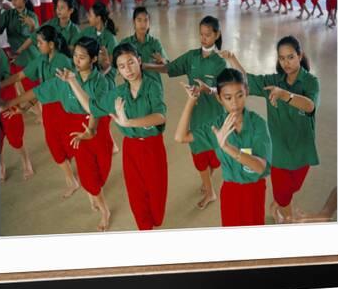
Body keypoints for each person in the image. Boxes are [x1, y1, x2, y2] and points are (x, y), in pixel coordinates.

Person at [57, 43, 168, 231]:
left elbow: (160, 117)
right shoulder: (118, 93)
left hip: (153, 147)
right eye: (122, 66)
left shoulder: (152, 86)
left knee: (156, 200)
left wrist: (128, 123)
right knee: (136, 196)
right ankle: (145, 232)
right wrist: (73, 82)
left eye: (131, 63)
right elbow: (92, 107)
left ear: (139, 60)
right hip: (131, 149)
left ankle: (153, 223)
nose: (128, 70)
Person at [224, 35, 320, 223]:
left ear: (300, 56)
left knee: (294, 187)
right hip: (279, 152)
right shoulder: (273, 80)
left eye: (291, 57)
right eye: (282, 58)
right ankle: (289, 218)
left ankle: (278, 204)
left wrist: (286, 95)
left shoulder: (311, 82)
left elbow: (309, 106)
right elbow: (247, 81)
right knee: (284, 195)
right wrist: (233, 59)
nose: (286, 62)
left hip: (303, 149)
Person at [143, 16, 227, 209]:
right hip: (196, 116)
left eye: (208, 35)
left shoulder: (220, 63)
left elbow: (225, 92)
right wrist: (145, 66)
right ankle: (209, 190)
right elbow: (170, 67)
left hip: (215, 116)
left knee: (214, 159)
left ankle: (207, 179)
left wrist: (209, 90)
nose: (203, 38)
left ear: (217, 35)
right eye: (201, 34)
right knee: (199, 156)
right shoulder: (192, 57)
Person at [175, 68, 271, 226]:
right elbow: (180, 137)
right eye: (228, 97)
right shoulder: (217, 126)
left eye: (239, 95)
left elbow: (260, 167)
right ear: (219, 99)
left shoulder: (258, 124)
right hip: (230, 191)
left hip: (254, 191)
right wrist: (191, 100)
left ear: (246, 92)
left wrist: (226, 147)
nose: (234, 103)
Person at [0, 25, 79, 198]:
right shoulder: (42, 58)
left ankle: (76, 179)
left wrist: (11, 103)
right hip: (49, 110)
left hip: (64, 108)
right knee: (54, 145)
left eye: (40, 42)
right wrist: (0, 85)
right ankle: (71, 179)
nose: (37, 45)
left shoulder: (62, 61)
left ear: (51, 44)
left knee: (69, 144)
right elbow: (21, 76)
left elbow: (43, 90)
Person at [0, 48, 35, 182]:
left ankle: (25, 158)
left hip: (3, 90)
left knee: (14, 131)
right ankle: (0, 163)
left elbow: (9, 76)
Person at [0, 0, 40, 92]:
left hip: (31, 56)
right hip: (16, 57)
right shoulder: (8, 14)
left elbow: (37, 37)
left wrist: (32, 26)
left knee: (32, 89)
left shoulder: (32, 16)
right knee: (19, 89)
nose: (13, 1)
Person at [119, 6, 169, 87]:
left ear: (149, 23)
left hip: (154, 87)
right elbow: (117, 65)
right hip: (133, 89)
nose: (143, 24)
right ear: (133, 22)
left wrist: (162, 60)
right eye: (139, 20)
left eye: (146, 20)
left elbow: (168, 67)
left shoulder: (154, 43)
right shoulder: (125, 43)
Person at [71, 2, 118, 84]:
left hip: (105, 77)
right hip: (88, 72)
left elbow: (111, 64)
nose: (87, 17)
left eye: (90, 15)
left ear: (98, 18)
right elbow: (73, 45)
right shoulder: (87, 31)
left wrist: (100, 75)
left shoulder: (110, 38)